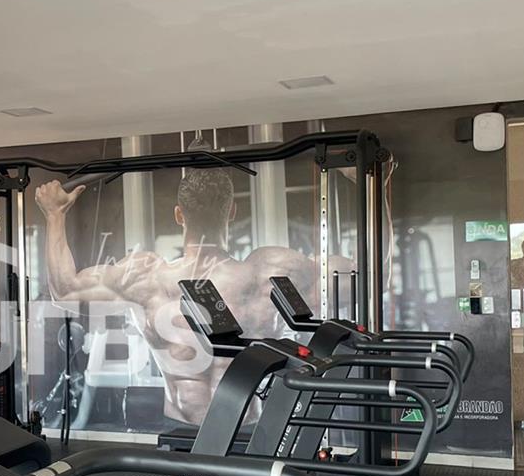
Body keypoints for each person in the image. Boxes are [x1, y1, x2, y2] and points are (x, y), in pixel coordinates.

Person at [34, 168, 317, 427]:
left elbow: (65, 291)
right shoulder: (266, 271)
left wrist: (55, 215)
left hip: (181, 427)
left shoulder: (147, 276)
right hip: (248, 425)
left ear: (179, 215)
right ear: (232, 211)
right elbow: (333, 278)